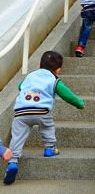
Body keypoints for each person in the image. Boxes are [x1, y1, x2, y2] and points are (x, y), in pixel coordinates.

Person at [3, 51, 84, 185]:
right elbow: (67, 95)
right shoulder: (54, 79)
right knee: (47, 127)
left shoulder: (30, 75)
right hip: (41, 111)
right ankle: (50, 148)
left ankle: (12, 161)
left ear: (40, 65)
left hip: (21, 112)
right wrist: (79, 104)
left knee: (17, 136)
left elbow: (20, 87)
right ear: (58, 70)